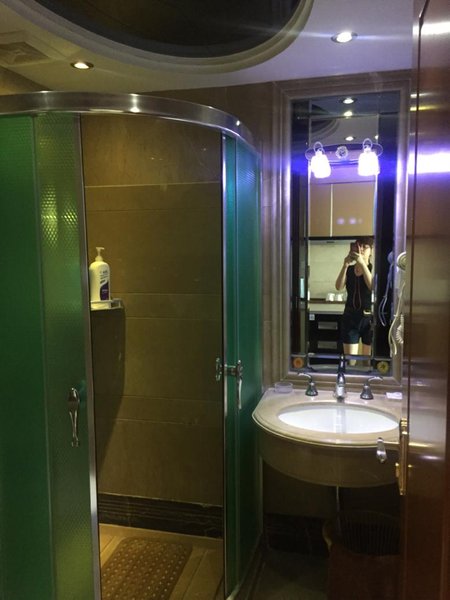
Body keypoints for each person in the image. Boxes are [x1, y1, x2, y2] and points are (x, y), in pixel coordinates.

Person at [335, 237, 374, 362]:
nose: (361, 249)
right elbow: (338, 286)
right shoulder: (350, 270)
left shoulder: (373, 270)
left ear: (371, 251)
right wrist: (345, 265)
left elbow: (373, 286)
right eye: (358, 246)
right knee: (350, 360)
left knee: (367, 361)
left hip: (368, 318)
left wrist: (362, 263)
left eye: (365, 247)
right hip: (350, 316)